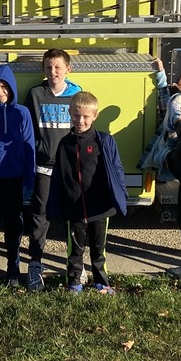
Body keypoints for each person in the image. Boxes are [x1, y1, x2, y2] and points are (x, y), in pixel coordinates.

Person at [47, 91, 127, 295]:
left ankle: (102, 281)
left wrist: (119, 196)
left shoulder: (104, 141)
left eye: (85, 116)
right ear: (69, 113)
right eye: (76, 115)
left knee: (99, 249)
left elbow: (116, 170)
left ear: (95, 117)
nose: (80, 121)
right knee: (75, 249)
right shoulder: (64, 144)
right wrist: (59, 203)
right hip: (74, 208)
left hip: (100, 207)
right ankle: (74, 282)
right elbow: (60, 175)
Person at [138, 59, 181, 286]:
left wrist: (179, 115)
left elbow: (176, 104)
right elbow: (164, 95)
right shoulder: (174, 102)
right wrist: (161, 73)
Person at [23, 49, 82, 292]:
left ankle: (76, 267)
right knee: (40, 217)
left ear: (68, 69)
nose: (53, 71)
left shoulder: (77, 94)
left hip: (69, 168)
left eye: (58, 67)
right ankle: (35, 265)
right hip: (43, 167)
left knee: (74, 218)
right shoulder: (35, 94)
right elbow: (28, 131)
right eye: (48, 67)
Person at [0, 64, 35, 288]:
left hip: (15, 180)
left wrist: (29, 179)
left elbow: (29, 145)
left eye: (3, 86)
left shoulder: (22, 113)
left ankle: (13, 266)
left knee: (14, 227)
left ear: (11, 88)